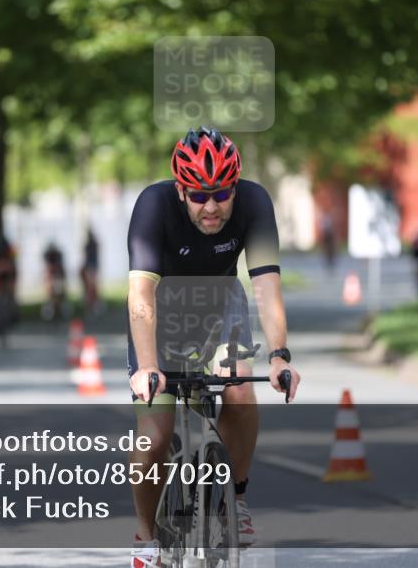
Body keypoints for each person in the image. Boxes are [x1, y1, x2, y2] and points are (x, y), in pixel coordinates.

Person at [126, 126, 302, 567]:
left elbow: (266, 287)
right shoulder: (153, 205)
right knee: (153, 437)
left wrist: (280, 355)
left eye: (222, 193)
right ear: (181, 189)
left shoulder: (255, 202)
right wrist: (147, 366)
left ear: (235, 187)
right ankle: (146, 536)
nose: (211, 206)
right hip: (161, 317)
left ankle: (236, 499)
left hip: (221, 308)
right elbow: (141, 296)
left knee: (240, 389)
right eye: (199, 195)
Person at [0, 236, 19, 345]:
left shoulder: (11, 255)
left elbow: (13, 273)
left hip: (8, 278)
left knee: (10, 301)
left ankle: (12, 319)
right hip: (0, 280)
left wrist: (12, 286)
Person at [41, 240, 67, 321]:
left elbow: (61, 271)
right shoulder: (48, 258)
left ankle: (59, 309)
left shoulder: (59, 258)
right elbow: (47, 270)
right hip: (52, 277)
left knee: (59, 293)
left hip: (58, 277)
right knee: (51, 293)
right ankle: (52, 309)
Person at [80, 227, 102, 315]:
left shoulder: (91, 245)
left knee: (91, 287)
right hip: (90, 267)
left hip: (91, 267)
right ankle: (91, 305)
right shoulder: (92, 245)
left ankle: (93, 305)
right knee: (90, 287)